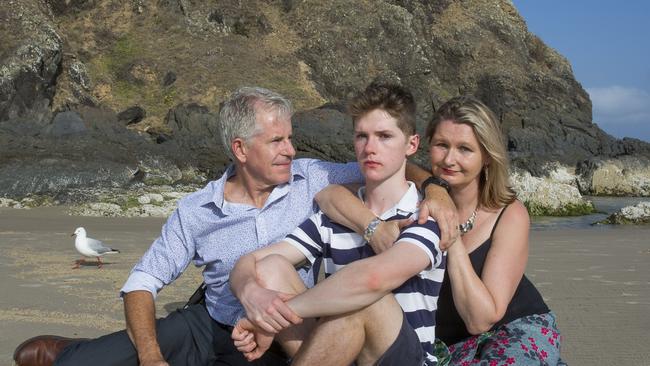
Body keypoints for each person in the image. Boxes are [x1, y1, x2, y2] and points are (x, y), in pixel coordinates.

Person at [13, 86, 457, 366]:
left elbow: (390, 165)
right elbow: (142, 281)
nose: (291, 149)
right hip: (216, 320)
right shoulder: (197, 208)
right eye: (277, 140)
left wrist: (436, 190)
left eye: (290, 137)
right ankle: (74, 350)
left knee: (346, 314)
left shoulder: (316, 177)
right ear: (241, 149)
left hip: (285, 335)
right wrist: (150, 357)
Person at [315, 96, 563, 365]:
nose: (449, 159)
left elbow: (480, 319)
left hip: (510, 330)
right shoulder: (409, 192)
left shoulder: (508, 213)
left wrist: (449, 228)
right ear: (425, 145)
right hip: (442, 344)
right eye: (441, 145)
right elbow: (329, 196)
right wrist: (373, 227)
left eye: (465, 149)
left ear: (487, 158)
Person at [229, 83, 446, 366]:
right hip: (341, 352)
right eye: (362, 136)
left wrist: (270, 318)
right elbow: (253, 263)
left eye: (384, 136)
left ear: (412, 144)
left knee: (364, 300)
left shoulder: (425, 214)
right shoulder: (334, 216)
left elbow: (371, 281)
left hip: (406, 358)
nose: (370, 148)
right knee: (270, 268)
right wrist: (252, 295)